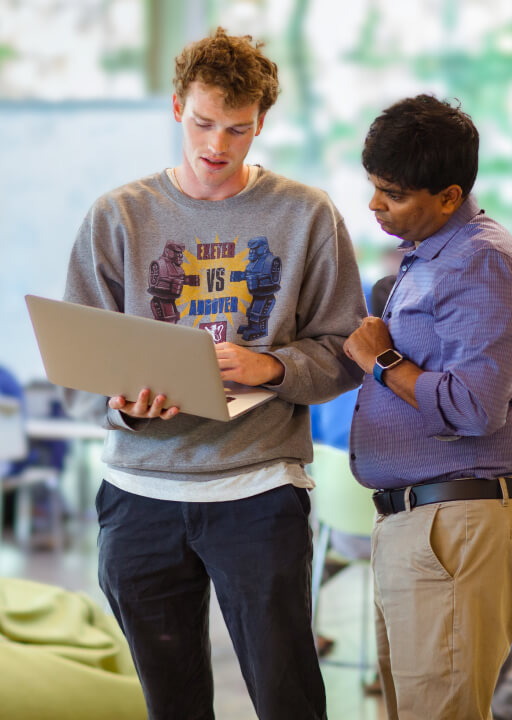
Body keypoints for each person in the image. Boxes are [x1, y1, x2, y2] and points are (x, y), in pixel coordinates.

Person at [62, 27, 366, 720]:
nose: (216, 147)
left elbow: (346, 350)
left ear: (261, 123)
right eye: (202, 123)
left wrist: (271, 365)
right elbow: (77, 372)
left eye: (237, 129)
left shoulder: (306, 214)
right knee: (171, 703)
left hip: (259, 489)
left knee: (289, 698)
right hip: (139, 493)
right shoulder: (118, 216)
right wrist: (126, 407)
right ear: (176, 109)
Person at [343, 94, 512, 720]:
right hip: (422, 524)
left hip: (455, 524)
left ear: (449, 196)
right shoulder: (432, 260)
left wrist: (384, 361)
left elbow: (473, 407)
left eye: (393, 193)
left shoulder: (480, 261)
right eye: (375, 187)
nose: (375, 204)